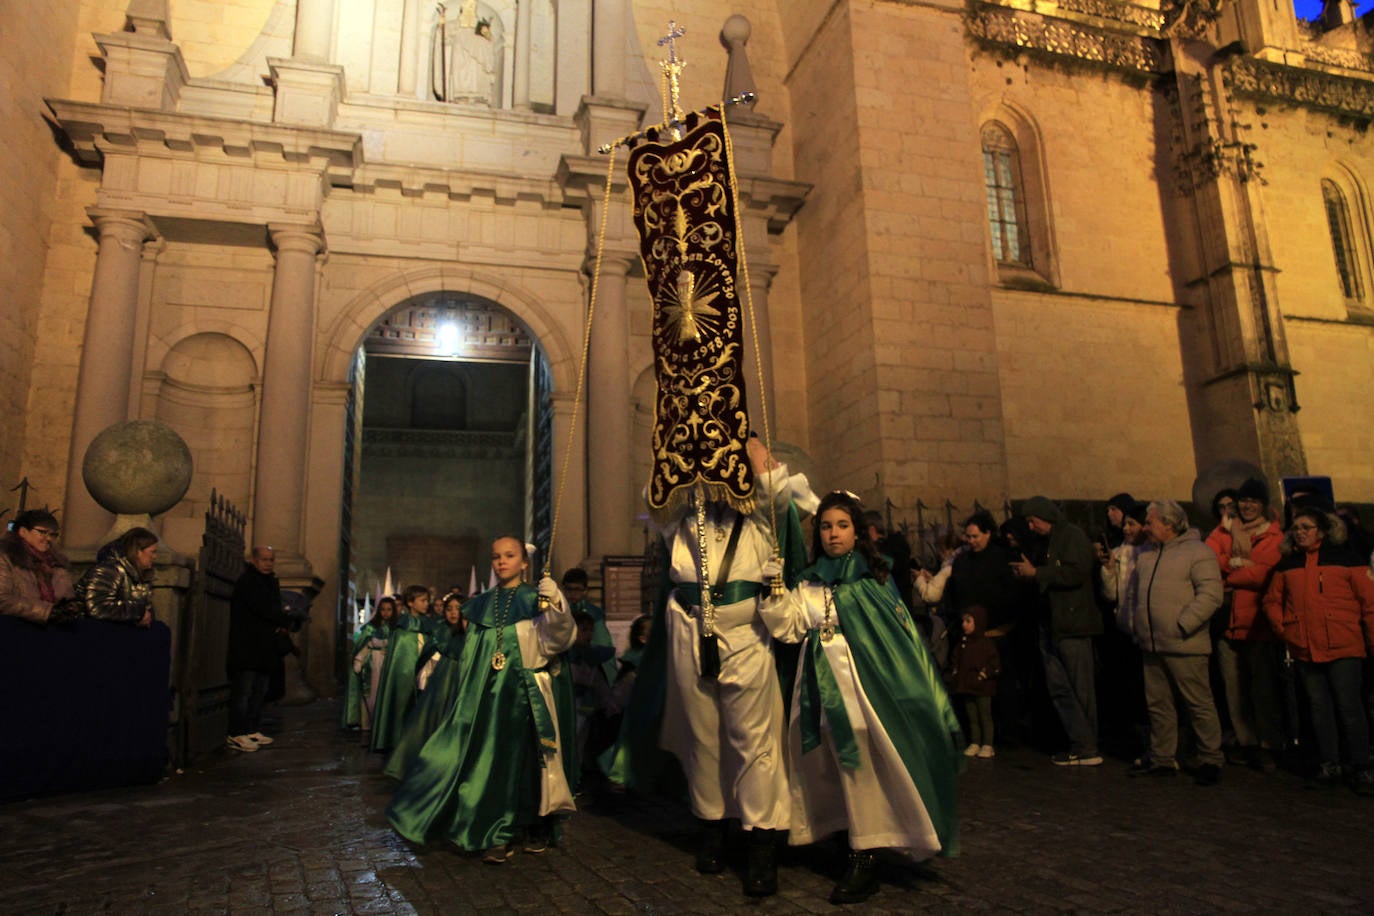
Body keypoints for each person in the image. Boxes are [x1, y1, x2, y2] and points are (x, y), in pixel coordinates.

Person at [759, 490, 961, 905]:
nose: (833, 534)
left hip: (861, 687)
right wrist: (775, 590)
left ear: (857, 533)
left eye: (842, 526)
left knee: (862, 764)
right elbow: (790, 629)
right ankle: (843, 836)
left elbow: (896, 640)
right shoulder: (810, 580)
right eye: (827, 527)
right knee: (826, 764)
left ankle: (866, 855)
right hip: (815, 685)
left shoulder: (874, 579)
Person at [652, 437, 817, 897]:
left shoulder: (762, 517)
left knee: (753, 739)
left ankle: (762, 841)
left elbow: (774, 489)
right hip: (690, 629)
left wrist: (744, 442)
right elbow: (658, 496)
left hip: (746, 636)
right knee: (703, 734)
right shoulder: (685, 518)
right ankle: (712, 827)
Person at [387, 537, 576, 860]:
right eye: (496, 557)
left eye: (509, 556)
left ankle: (532, 826)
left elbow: (557, 639)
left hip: (528, 694)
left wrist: (556, 603)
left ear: (524, 562)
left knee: (530, 763)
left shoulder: (536, 599)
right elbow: (475, 654)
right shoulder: (481, 604)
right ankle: (494, 831)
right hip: (488, 697)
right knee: (490, 763)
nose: (502, 562)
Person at [1263, 507, 1374, 793]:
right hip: (1305, 646)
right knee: (1319, 708)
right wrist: (1283, 628)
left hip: (1344, 645)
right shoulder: (1288, 564)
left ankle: (1361, 765)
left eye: (1306, 527)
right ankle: (1330, 763)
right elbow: (1272, 600)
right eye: (1296, 528)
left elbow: (1370, 604)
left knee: (1350, 708)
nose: (1299, 532)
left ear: (1322, 531)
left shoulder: (1348, 560)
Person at [1125, 501, 1225, 785]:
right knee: (1158, 704)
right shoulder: (1147, 556)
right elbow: (1136, 596)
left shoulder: (1198, 553)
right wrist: (1137, 626)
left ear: (1169, 525)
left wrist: (1184, 624)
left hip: (1185, 643)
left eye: (1150, 522)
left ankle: (1210, 757)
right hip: (1152, 643)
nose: (1145, 527)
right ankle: (1162, 757)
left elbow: (1210, 594)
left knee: (1198, 703)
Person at [1011, 496, 1103, 766]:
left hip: (1071, 625)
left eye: (1033, 521)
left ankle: (1088, 746)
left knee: (1079, 687)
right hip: (1050, 624)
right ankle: (1078, 742)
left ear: (1046, 517)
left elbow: (1076, 573)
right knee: (1059, 687)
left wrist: (1037, 573)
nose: (1030, 527)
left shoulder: (1072, 537)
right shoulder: (1043, 542)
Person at [1204, 477, 1285, 770]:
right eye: (1244, 500)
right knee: (1233, 688)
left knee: (1262, 688)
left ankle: (1269, 744)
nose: (1247, 505)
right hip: (1227, 620)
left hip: (1257, 622)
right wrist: (1237, 564)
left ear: (1263, 505)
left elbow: (1265, 574)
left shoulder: (1274, 537)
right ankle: (1246, 741)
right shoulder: (1223, 531)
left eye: (1253, 500)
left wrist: (1230, 575)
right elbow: (1208, 561)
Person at [383, 592, 469, 780]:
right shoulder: (438, 631)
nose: (454, 613)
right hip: (436, 688)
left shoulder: (470, 638)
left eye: (458, 610)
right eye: (449, 609)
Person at [226, 546, 291, 752]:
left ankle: (251, 728)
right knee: (243, 690)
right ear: (254, 560)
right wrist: (285, 618)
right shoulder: (249, 582)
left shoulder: (270, 582)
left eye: (271, 559)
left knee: (259, 690)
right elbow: (265, 609)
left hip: (264, 647)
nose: (268, 563)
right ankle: (237, 732)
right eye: (264, 559)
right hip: (247, 645)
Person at [370, 584, 434, 753]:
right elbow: (399, 657)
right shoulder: (402, 627)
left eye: (427, 600)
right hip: (403, 676)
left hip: (425, 675)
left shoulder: (430, 625)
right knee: (401, 705)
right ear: (410, 602)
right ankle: (397, 740)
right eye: (423, 600)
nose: (426, 604)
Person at [0, 509, 82, 626]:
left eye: (52, 534)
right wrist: (46, 612)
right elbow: (2, 600)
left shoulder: (55, 563)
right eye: (42, 532)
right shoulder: (6, 558)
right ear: (23, 531)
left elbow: (66, 597)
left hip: (54, 631)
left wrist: (71, 606)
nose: (48, 538)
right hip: (15, 630)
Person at [77, 527, 159, 626]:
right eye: (152, 552)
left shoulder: (140, 576)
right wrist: (138, 612)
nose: (155, 557)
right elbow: (97, 607)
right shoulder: (108, 571)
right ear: (138, 551)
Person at [949, 605, 1000, 759]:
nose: (964, 624)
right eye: (963, 621)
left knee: (984, 716)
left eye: (968, 621)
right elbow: (956, 659)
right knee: (972, 716)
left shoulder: (986, 644)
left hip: (983, 688)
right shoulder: (962, 644)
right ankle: (975, 742)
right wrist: (955, 672)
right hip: (967, 686)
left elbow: (995, 664)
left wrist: (984, 675)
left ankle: (987, 744)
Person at [344, 596, 396, 735]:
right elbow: (363, 643)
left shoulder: (396, 628)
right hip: (372, 664)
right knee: (369, 694)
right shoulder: (371, 627)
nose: (386, 613)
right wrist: (360, 659)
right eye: (383, 609)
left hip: (389, 663)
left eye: (389, 610)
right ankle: (367, 724)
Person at [561, 567, 617, 684]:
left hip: (587, 669)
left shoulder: (594, 613)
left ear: (585, 590)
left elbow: (601, 642)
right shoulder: (558, 611)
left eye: (577, 589)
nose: (572, 594)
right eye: (568, 589)